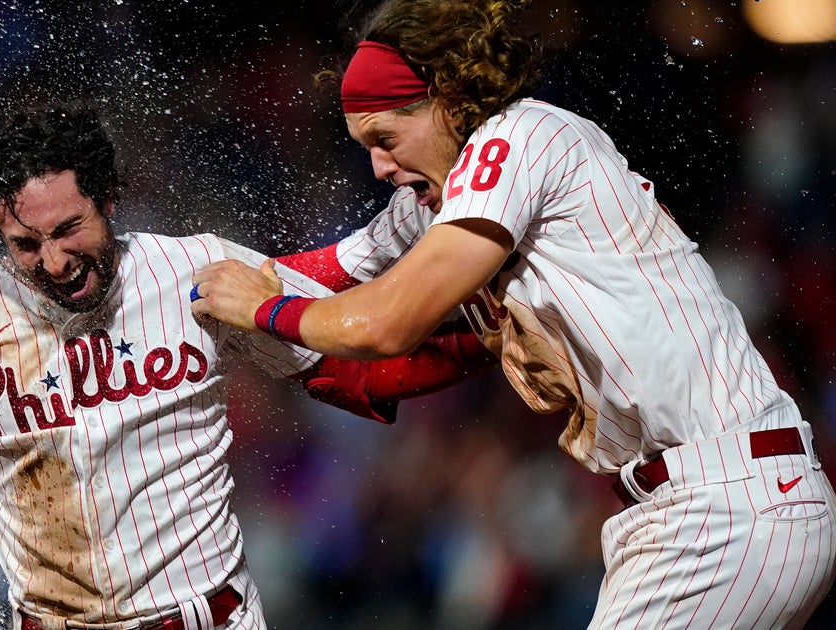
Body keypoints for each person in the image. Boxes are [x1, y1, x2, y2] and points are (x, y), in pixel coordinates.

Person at [0, 102, 487, 630]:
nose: (54, 259)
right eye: (26, 245)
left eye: (69, 228)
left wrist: (494, 342)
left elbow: (355, 367)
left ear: (108, 196)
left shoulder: (198, 271)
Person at [190, 0, 836, 627]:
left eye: (386, 137)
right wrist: (195, 284)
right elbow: (335, 273)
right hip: (698, 506)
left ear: (447, 98)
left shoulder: (519, 139)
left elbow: (382, 321)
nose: (378, 166)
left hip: (725, 504)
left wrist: (265, 307)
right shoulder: (452, 198)